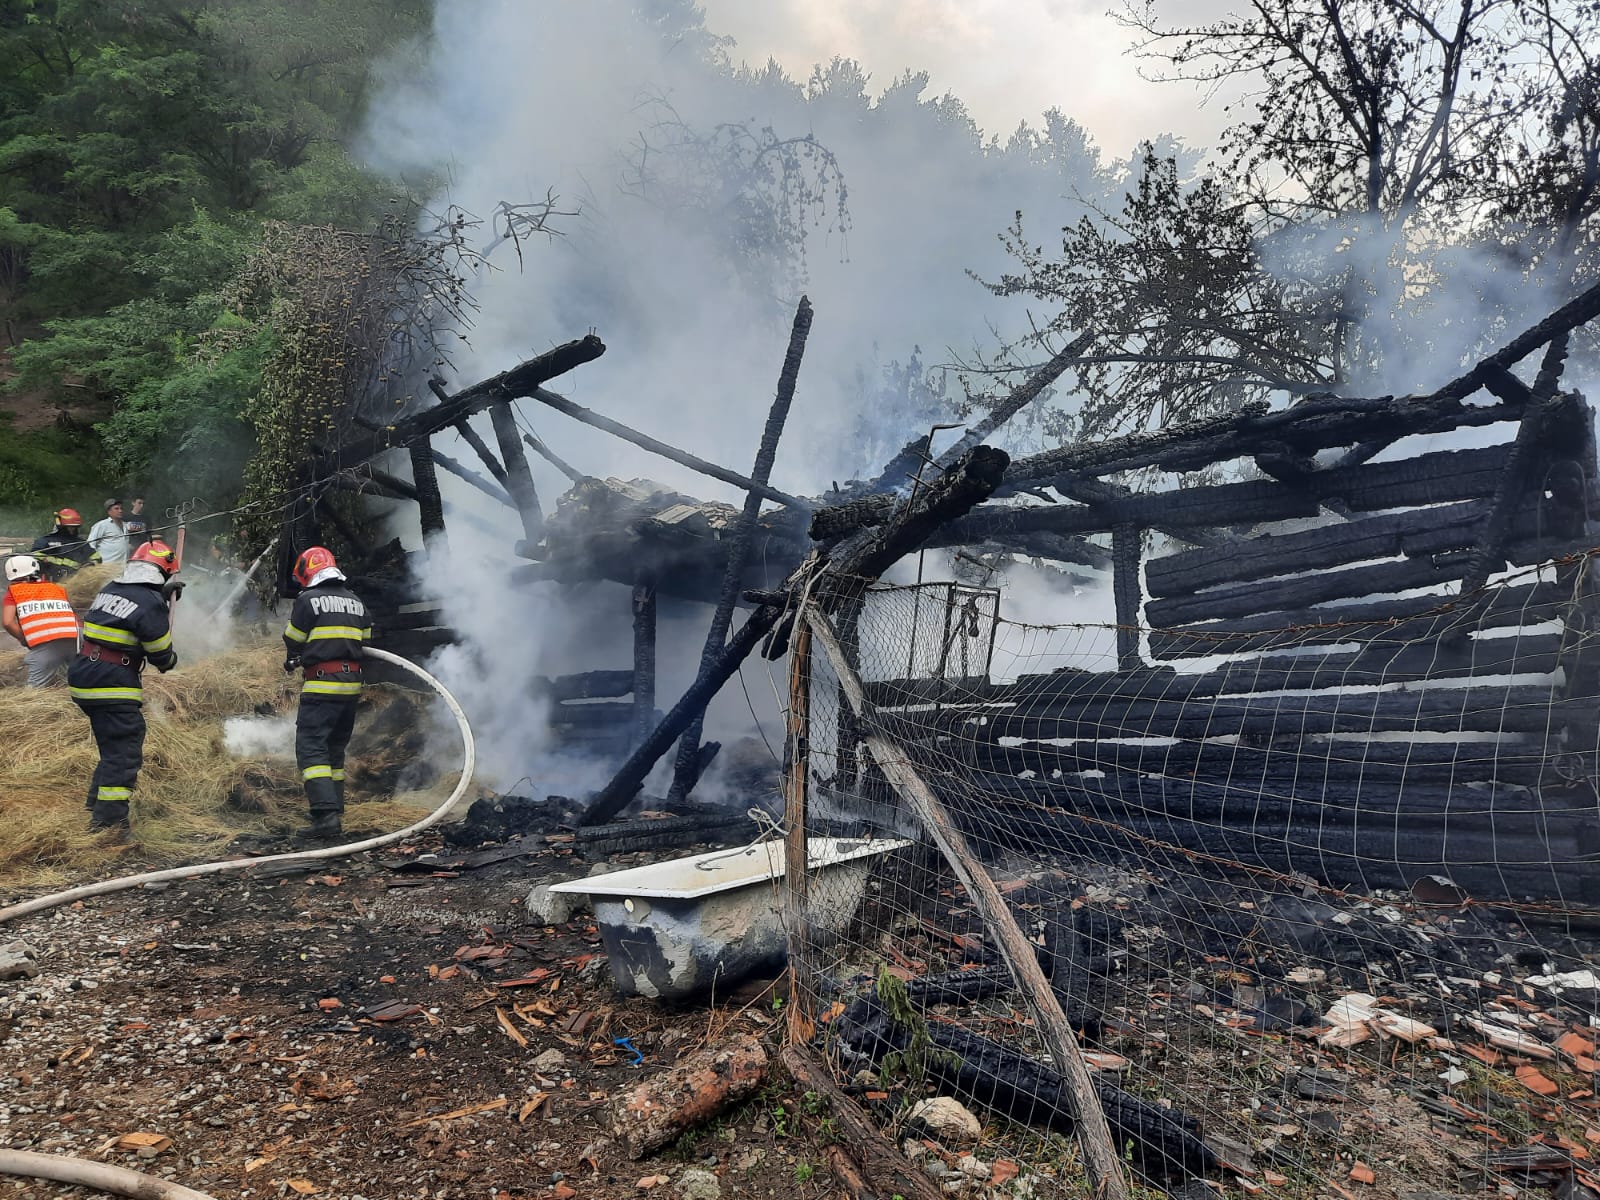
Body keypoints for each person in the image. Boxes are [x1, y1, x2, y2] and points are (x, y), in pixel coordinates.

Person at [67, 540, 182, 840]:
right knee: (124, 751)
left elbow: (127, 612)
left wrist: (160, 595)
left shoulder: (110, 589)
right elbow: (161, 657)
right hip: (111, 681)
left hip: (84, 674)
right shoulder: (151, 603)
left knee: (111, 745)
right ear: (162, 573)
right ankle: (109, 825)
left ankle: (96, 804)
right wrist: (170, 656)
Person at [283, 546, 371, 841]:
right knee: (334, 748)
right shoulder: (356, 600)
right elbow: (366, 639)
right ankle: (335, 808)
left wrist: (298, 655)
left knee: (312, 748)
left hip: (321, 685)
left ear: (307, 572)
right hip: (351, 687)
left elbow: (293, 638)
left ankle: (325, 816)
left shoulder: (307, 599)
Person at [2, 554, 79, 687]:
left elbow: (7, 622)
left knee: (34, 690)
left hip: (45, 644)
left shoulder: (14, 592)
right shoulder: (56, 588)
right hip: (75, 639)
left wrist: (23, 639)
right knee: (72, 679)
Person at [30, 508, 95, 580]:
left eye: (74, 527)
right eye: (69, 527)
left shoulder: (80, 543)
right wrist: (51, 561)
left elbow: (95, 557)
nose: (72, 529)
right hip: (51, 580)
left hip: (76, 580)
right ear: (61, 526)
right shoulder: (46, 541)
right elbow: (34, 554)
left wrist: (90, 564)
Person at [87, 499, 130, 564]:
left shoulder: (125, 525)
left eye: (121, 508)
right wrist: (95, 560)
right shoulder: (102, 525)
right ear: (109, 511)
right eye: (116, 508)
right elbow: (90, 544)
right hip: (106, 566)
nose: (120, 511)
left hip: (124, 565)